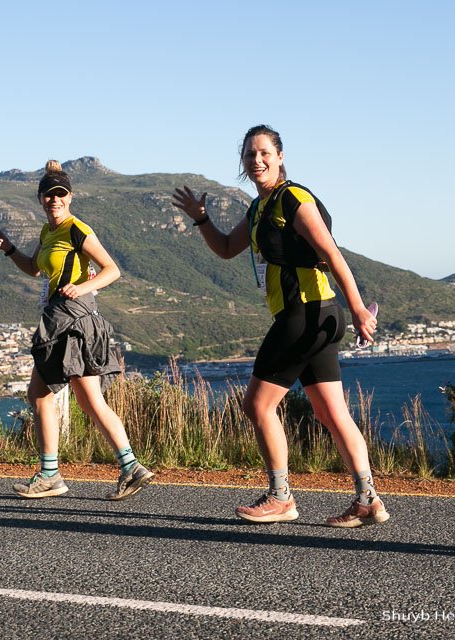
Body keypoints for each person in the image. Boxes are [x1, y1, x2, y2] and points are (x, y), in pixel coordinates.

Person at [172, 125, 389, 527]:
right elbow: (226, 248)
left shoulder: (293, 199)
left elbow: (332, 255)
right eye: (249, 154)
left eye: (264, 153)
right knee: (331, 412)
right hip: (314, 315)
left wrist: (359, 308)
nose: (256, 160)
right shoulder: (260, 207)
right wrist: (201, 219)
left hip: (304, 314)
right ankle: (367, 500)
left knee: (257, 405)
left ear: (280, 157)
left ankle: (281, 497)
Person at [0, 160, 153, 501]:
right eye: (49, 195)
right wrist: (9, 249)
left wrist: (81, 287)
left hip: (73, 322)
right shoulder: (47, 232)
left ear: (70, 197)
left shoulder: (77, 228)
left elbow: (112, 269)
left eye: (60, 194)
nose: (55, 200)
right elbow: (34, 269)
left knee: (41, 395)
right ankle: (130, 467)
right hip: (63, 320)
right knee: (86, 399)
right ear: (40, 198)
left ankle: (52, 475)